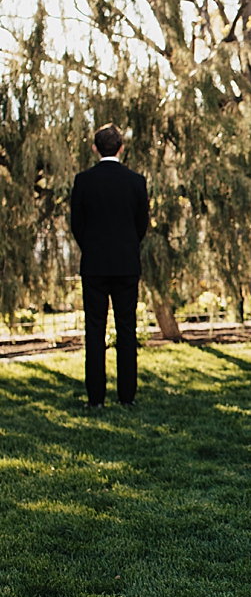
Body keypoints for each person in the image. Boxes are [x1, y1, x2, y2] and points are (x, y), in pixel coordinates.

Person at [69, 123, 150, 408]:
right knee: (127, 330)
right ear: (121, 147)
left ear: (94, 148)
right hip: (127, 264)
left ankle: (96, 399)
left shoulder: (83, 181)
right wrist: (127, 246)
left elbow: (76, 224)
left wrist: (91, 246)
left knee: (95, 330)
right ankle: (127, 397)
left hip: (94, 265)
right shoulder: (136, 181)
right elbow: (142, 225)